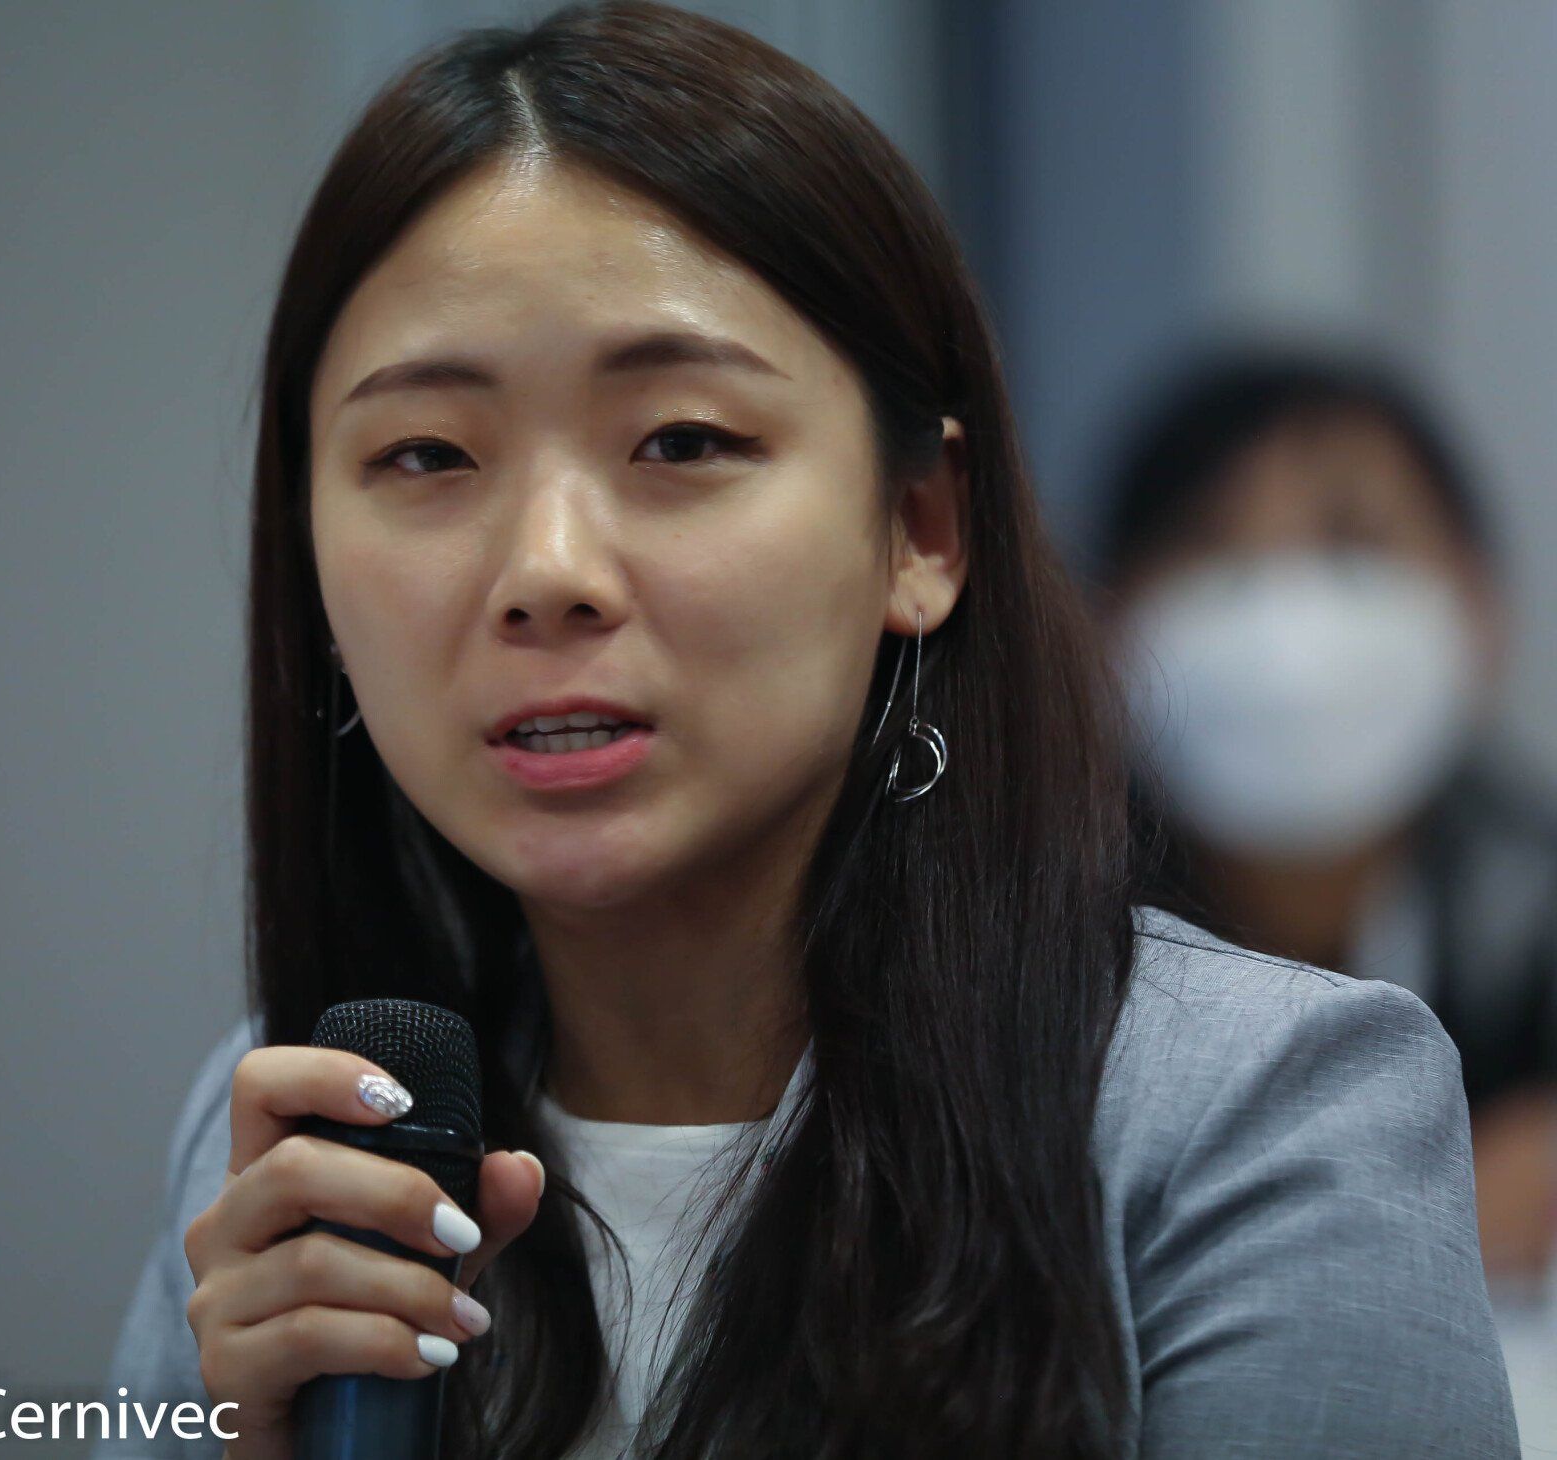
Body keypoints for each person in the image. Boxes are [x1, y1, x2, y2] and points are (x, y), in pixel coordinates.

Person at [93, 5, 1518, 1456]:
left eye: (683, 442)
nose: (546, 571)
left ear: (920, 528)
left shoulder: (1254, 1111)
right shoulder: (298, 1135)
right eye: (426, 455)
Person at [1086, 344, 1557, 1292]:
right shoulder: (1034, 943)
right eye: (1213, 549)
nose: (1286, 617)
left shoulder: (1533, 914)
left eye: (1354, 542)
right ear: (1103, 626)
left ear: (1480, 607)